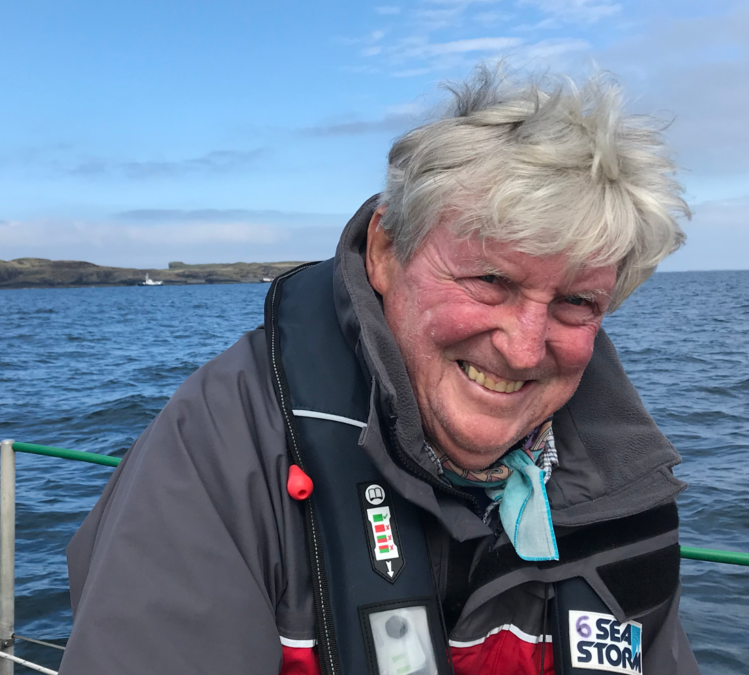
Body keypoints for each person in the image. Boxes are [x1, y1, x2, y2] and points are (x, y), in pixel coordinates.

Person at [58, 68, 700, 675]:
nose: (526, 349)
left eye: (577, 302)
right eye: (490, 280)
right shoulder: (222, 451)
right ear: (387, 254)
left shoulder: (626, 487)